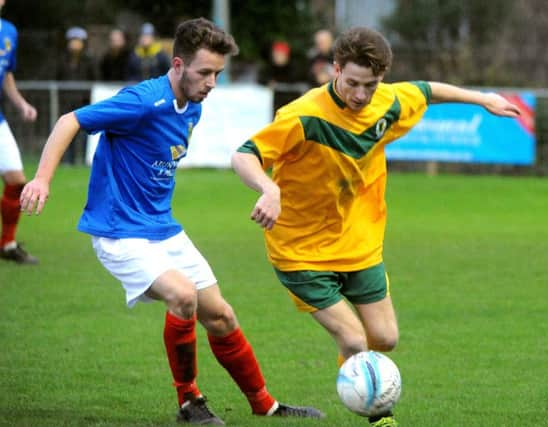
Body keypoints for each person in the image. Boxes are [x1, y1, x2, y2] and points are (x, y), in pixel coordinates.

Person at [20, 17, 323, 425]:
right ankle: (189, 402)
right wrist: (42, 178)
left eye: (217, 73)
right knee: (183, 296)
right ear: (177, 65)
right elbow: (69, 121)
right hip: (119, 232)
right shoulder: (144, 101)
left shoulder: (193, 106)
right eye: (204, 72)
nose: (212, 82)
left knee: (222, 316)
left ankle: (265, 404)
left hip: (163, 229)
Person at [230, 26, 521, 427]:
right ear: (335, 69)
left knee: (384, 339)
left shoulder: (385, 101)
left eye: (371, 84)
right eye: (352, 83)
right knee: (353, 340)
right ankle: (376, 413)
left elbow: (427, 90)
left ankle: (355, 372)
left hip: (360, 241)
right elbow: (244, 155)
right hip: (300, 249)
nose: (361, 95)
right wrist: (268, 189)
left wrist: (482, 99)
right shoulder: (303, 115)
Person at [0, 0, 38, 265]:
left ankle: (7, 244)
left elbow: (6, 74)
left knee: (16, 179)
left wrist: (21, 104)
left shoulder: (9, 31)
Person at [56, 26, 96, 165]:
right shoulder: (62, 60)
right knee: (68, 132)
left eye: (78, 40)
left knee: (85, 132)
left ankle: (85, 159)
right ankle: (69, 159)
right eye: (72, 40)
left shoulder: (89, 60)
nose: (75, 43)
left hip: (84, 101)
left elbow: (94, 79)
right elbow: (57, 77)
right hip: (67, 101)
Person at [257, 41, 303, 113]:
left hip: (291, 106)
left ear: (286, 55)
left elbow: (298, 83)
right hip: (273, 106)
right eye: (275, 55)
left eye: (279, 54)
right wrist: (268, 83)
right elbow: (260, 80)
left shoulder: (295, 69)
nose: (277, 57)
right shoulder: (268, 69)